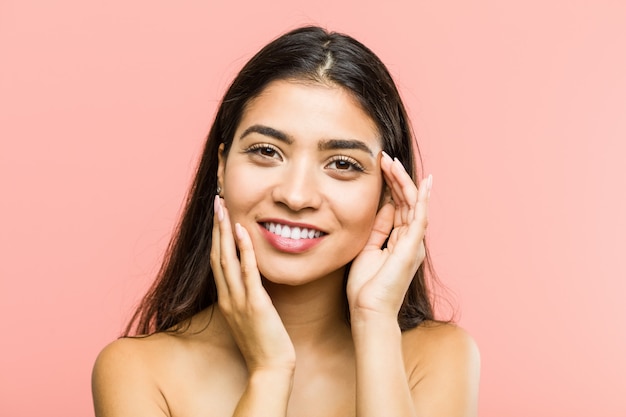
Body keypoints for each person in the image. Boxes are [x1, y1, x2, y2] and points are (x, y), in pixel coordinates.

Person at [92, 26, 480, 417]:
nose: (295, 196)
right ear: (222, 168)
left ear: (388, 193)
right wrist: (269, 373)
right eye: (267, 151)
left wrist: (375, 321)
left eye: (342, 164)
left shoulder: (438, 358)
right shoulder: (139, 371)